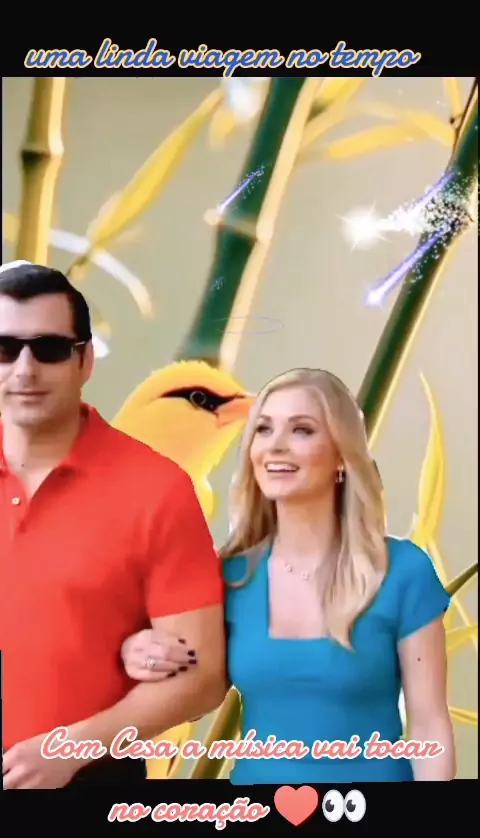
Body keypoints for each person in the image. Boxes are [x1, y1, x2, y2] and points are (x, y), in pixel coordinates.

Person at [122, 367, 456, 783]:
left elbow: (430, 724)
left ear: (342, 453)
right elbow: (181, 690)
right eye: (263, 429)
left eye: (302, 430)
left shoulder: (403, 572)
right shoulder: (229, 578)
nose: (276, 445)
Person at [0, 262, 226, 789]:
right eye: (5, 350)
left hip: (88, 786)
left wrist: (70, 750)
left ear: (84, 361)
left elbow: (202, 675)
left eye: (50, 349)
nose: (25, 370)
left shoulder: (157, 489)